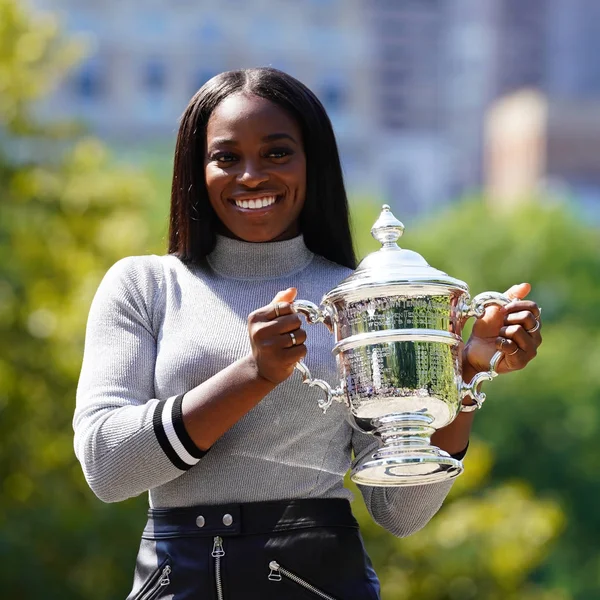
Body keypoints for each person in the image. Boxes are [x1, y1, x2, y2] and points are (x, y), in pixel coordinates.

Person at [73, 67, 543, 600]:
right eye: (226, 157)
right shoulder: (145, 285)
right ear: (194, 169)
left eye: (277, 153)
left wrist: (460, 378)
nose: (251, 175)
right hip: (176, 578)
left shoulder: (360, 298)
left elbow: (400, 512)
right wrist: (253, 374)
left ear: (311, 163)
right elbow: (106, 467)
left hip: (318, 580)